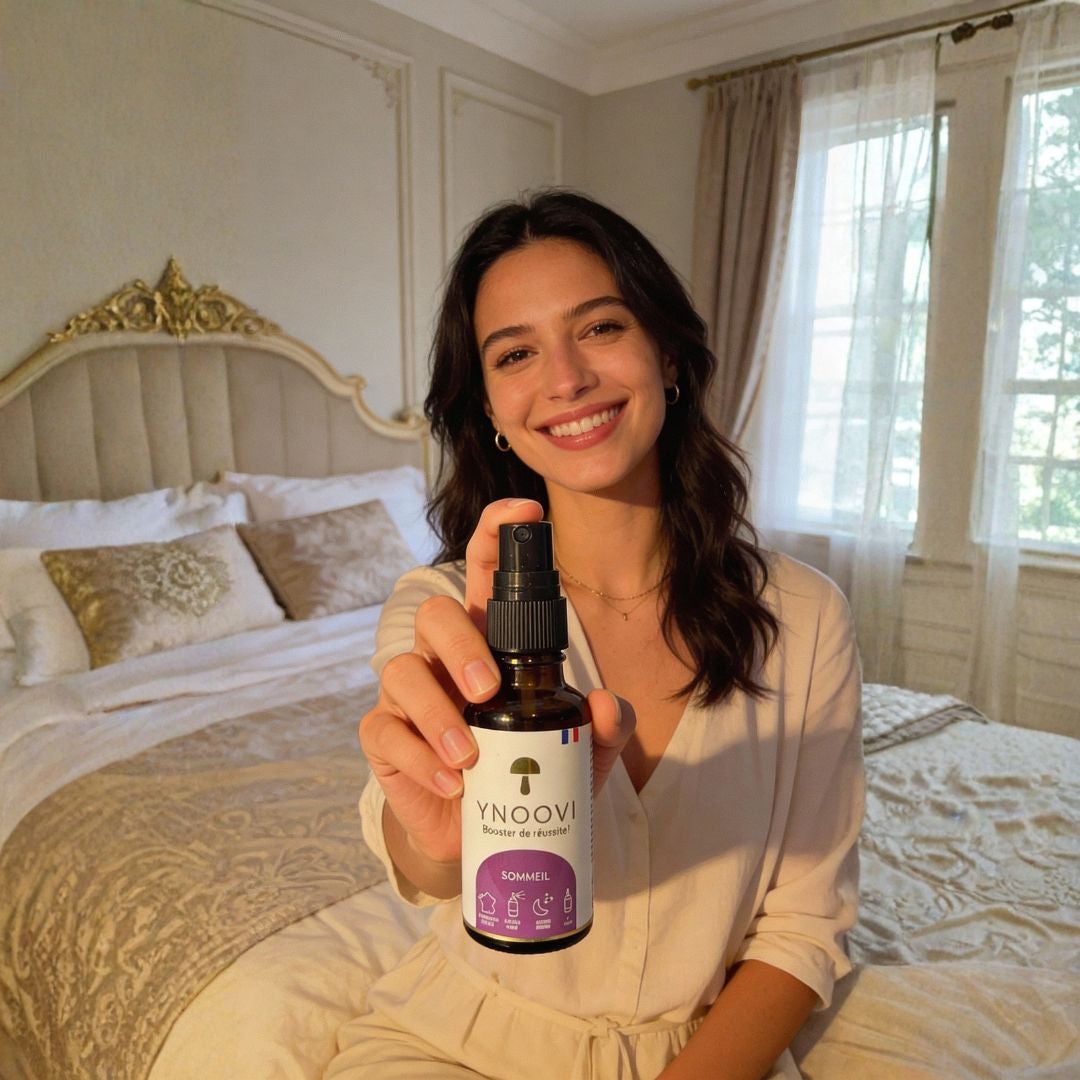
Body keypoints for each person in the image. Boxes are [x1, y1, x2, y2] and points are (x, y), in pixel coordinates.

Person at [326, 190, 864, 1080]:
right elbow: (427, 861)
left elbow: (805, 924)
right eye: (516, 353)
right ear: (490, 408)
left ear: (668, 356)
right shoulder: (446, 610)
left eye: (602, 328)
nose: (566, 379)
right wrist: (441, 837)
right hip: (453, 1045)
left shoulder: (805, 616)